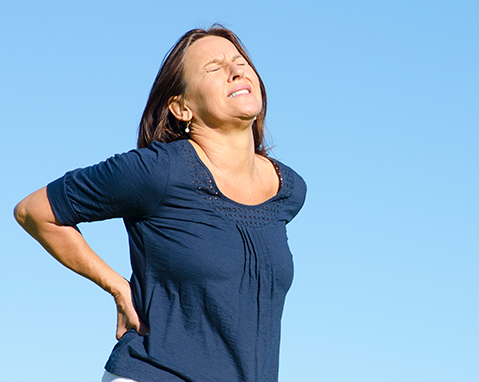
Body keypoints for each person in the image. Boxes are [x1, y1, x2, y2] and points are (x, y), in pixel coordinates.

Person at [14, 25, 306, 382]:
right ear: (181, 108)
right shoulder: (158, 171)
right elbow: (34, 211)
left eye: (240, 60)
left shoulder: (287, 189)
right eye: (214, 67)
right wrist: (118, 286)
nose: (236, 70)